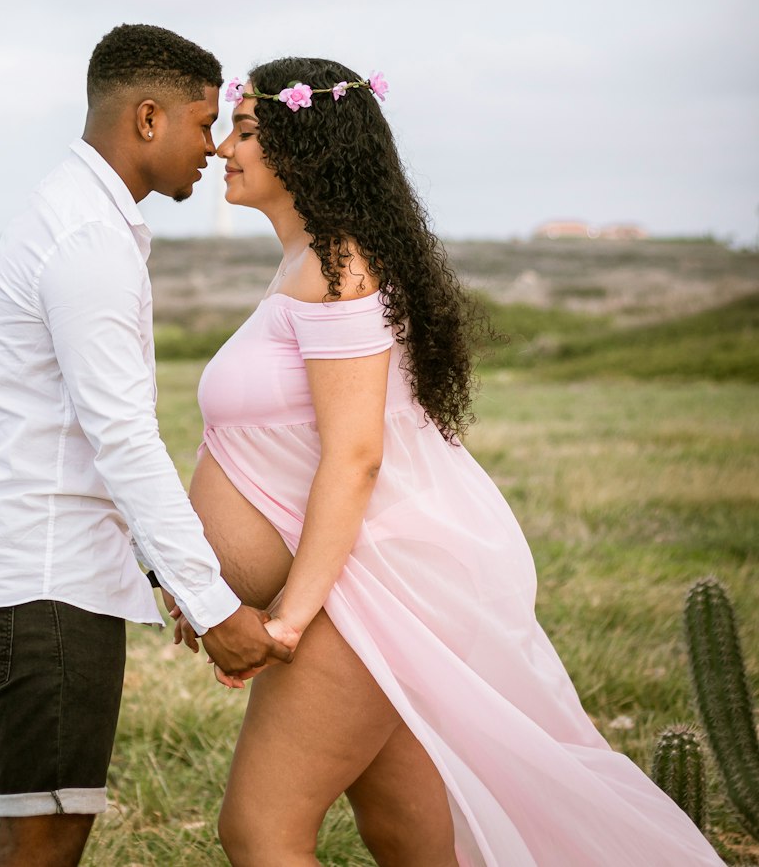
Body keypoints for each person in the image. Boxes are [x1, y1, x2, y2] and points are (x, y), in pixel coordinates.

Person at [179, 56, 723, 866]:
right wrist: (207, 585)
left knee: (260, 832)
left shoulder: (340, 269)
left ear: (306, 148)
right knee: (409, 836)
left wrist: (290, 613)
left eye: (246, 130)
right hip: (352, 588)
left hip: (361, 595)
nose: (224, 148)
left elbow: (357, 457)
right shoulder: (308, 264)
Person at [0, 24, 291, 867]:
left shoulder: (83, 218)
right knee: (47, 831)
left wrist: (160, 569)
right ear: (146, 119)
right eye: (204, 123)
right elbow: (124, 440)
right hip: (45, 574)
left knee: (49, 821)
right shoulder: (88, 239)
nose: (212, 149)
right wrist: (211, 606)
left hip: (47, 567)